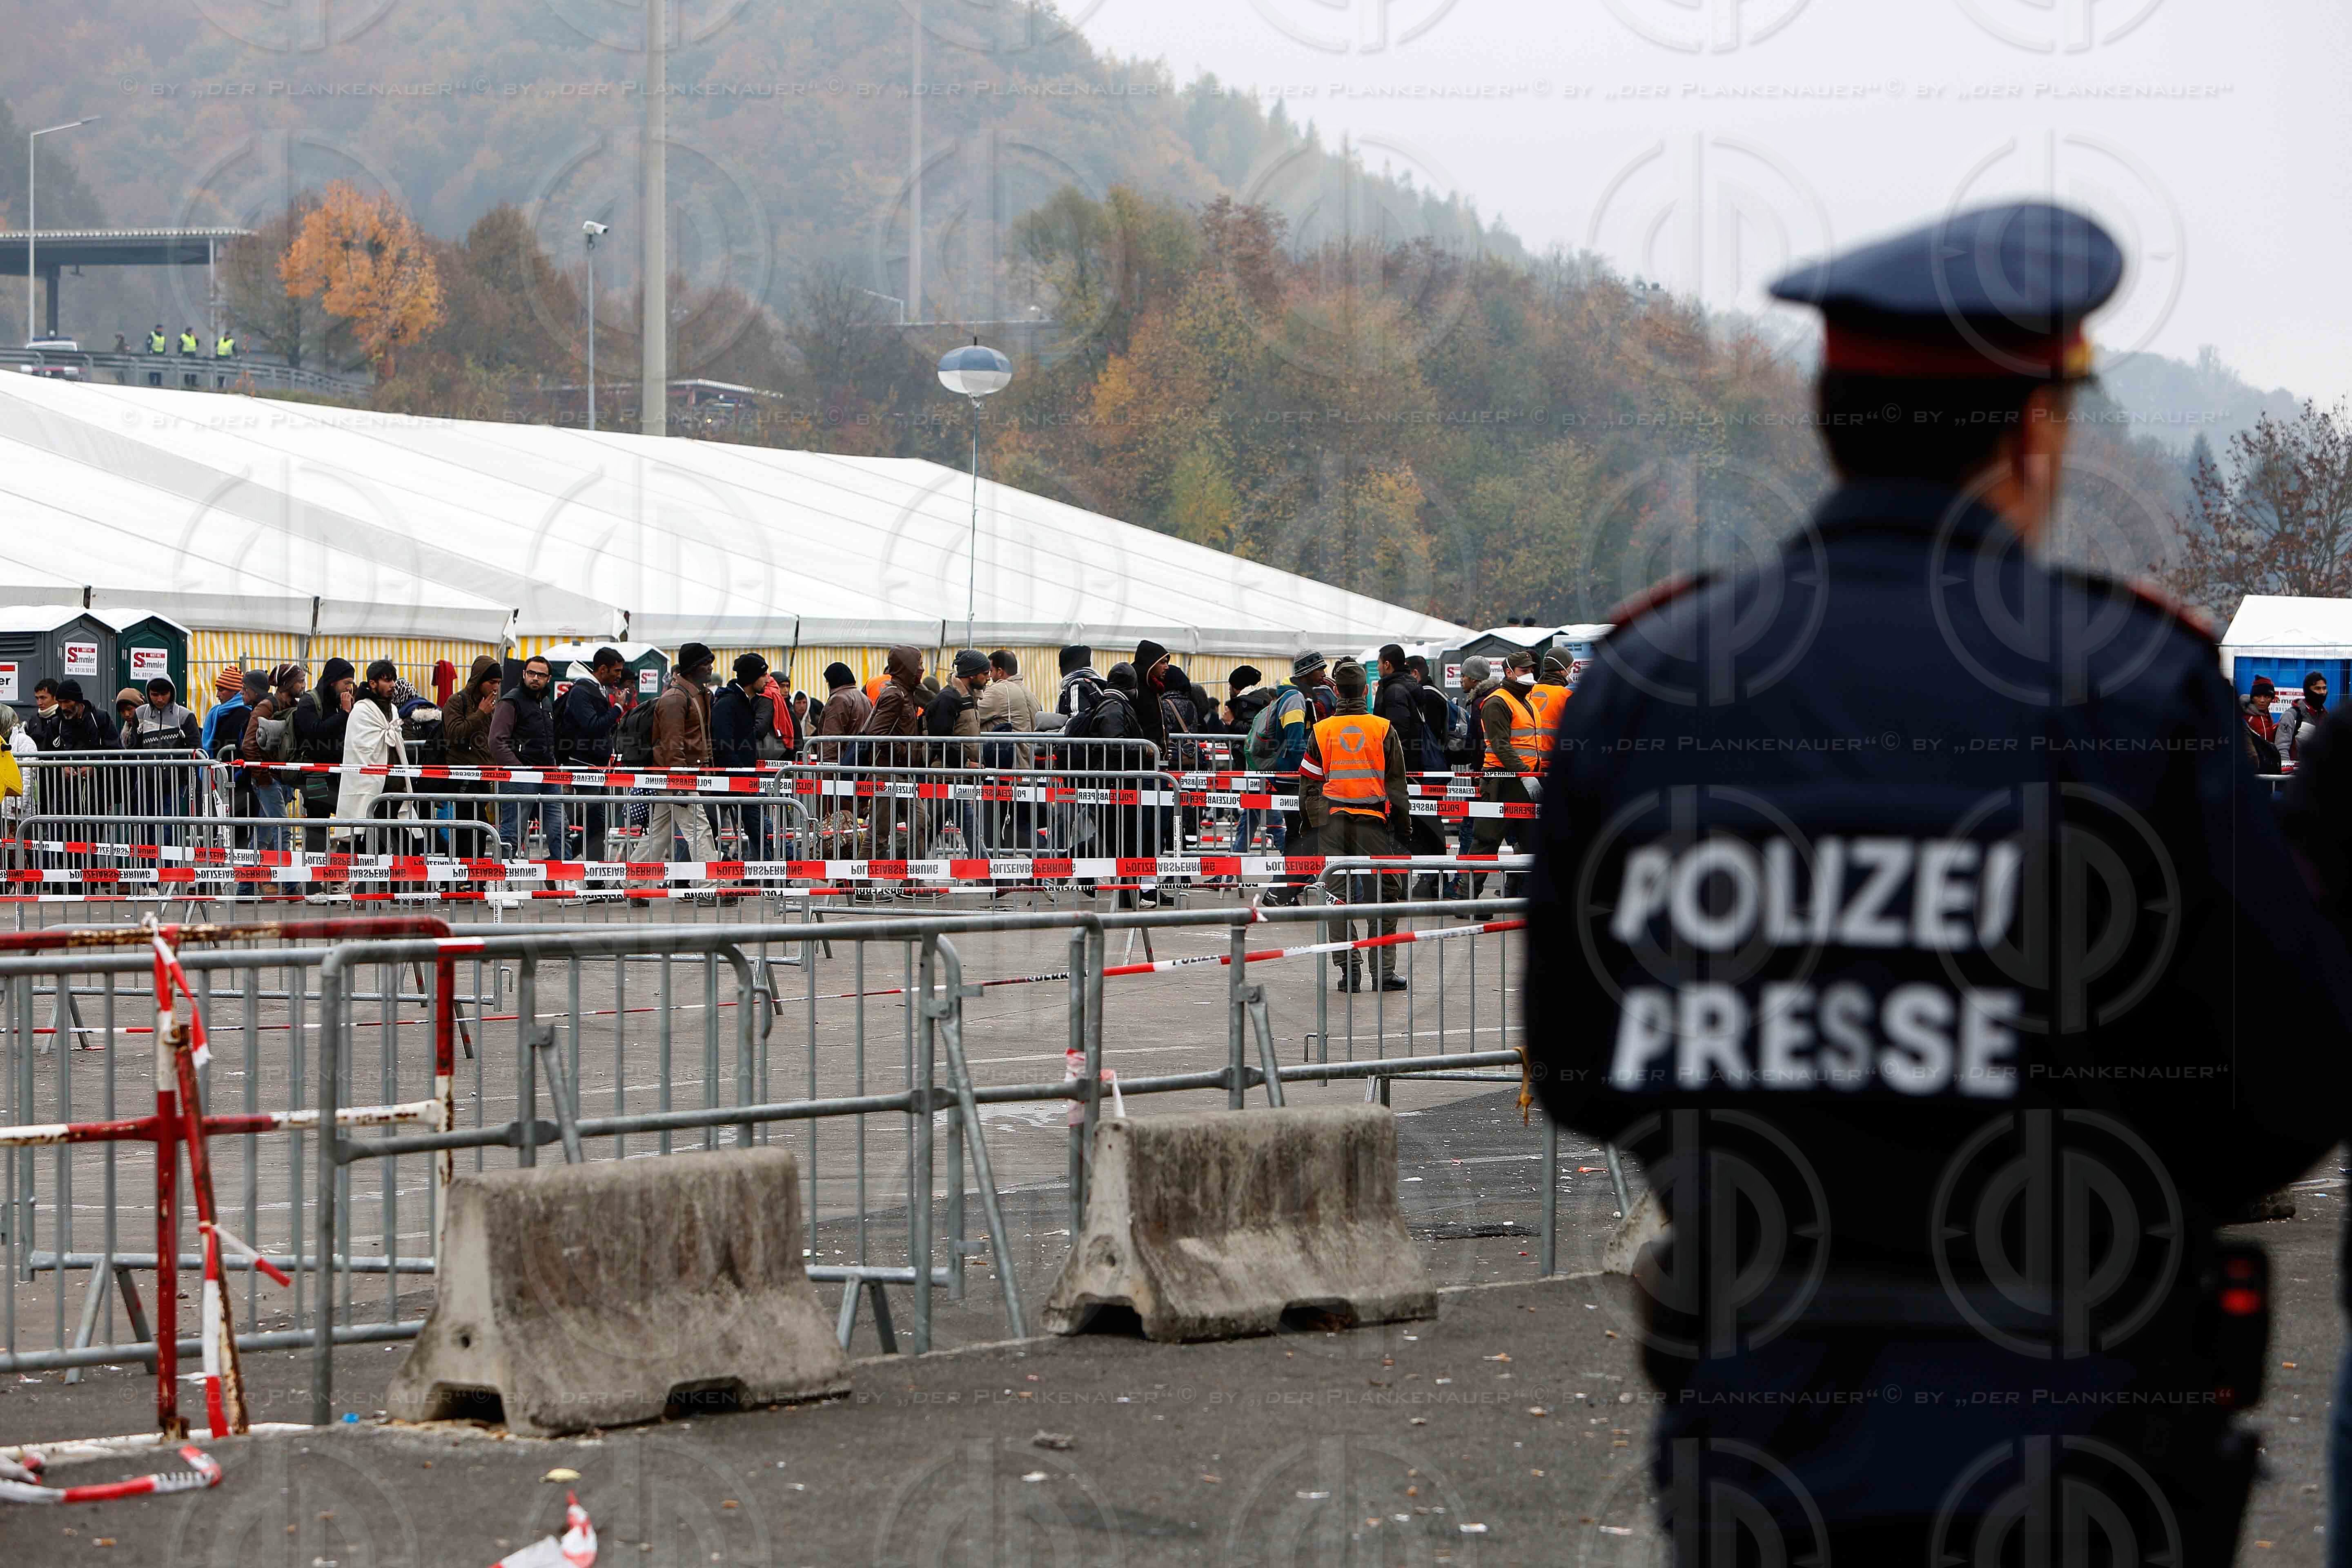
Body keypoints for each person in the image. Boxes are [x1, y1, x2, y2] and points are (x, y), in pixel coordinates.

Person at [1525, 201, 2348, 1563]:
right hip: (2079, 1439)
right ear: (2034, 433)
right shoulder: (2131, 687)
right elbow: (2279, 1100)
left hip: (1761, 1425)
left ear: (1833, 421)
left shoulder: (1652, 684)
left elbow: (1580, 1066)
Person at [1298, 658, 1411, 991]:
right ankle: (1384, 973)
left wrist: (1314, 824)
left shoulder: (1321, 730)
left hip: (1332, 824)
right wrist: (1403, 831)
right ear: (1365, 690)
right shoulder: (1383, 729)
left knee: (1336, 899)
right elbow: (1397, 788)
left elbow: (1309, 786)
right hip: (1374, 825)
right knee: (1385, 897)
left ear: (1337, 692)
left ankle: (1350, 973)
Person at [628, 642, 720, 884]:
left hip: (678, 775)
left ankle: (633, 883)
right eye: (705, 663)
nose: (710, 667)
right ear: (692, 668)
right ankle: (710, 885)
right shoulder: (676, 699)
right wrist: (680, 780)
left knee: (658, 835)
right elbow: (672, 743)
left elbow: (699, 738)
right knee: (699, 830)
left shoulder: (695, 694)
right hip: (677, 776)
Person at [1258, 652, 1334, 905]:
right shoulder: (1295, 699)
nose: (1324, 672)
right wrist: (1316, 769)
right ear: (1306, 672)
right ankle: (1280, 892)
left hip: (1295, 778)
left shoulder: (1301, 696)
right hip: (1295, 779)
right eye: (1319, 668)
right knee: (1307, 835)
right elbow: (1295, 743)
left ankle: (1284, 891)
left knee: (1298, 834)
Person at [1468, 650, 1539, 897]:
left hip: (1524, 782)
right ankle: (1467, 900)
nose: (1530, 675)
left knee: (1532, 843)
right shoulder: (1499, 701)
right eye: (1524, 671)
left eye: (1531, 670)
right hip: (1502, 781)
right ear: (1509, 673)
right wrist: (1525, 774)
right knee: (1486, 841)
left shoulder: (1525, 701)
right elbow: (1501, 745)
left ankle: (1526, 896)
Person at [557, 646, 630, 860]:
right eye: (616, 671)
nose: (619, 676)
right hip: (584, 767)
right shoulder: (582, 691)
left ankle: (570, 862)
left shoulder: (595, 690)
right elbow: (594, 726)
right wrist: (617, 708)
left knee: (601, 823)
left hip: (595, 768)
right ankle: (580, 871)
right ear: (603, 669)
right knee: (597, 823)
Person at [489, 655, 565, 859]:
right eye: (531, 673)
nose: (535, 678)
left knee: (560, 830)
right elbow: (496, 741)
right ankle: (501, 879)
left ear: (548, 679)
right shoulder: (511, 701)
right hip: (520, 778)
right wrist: (518, 769)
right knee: (512, 833)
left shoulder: (547, 703)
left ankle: (562, 878)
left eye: (541, 675)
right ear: (524, 674)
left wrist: (555, 767)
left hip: (549, 776)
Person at [332, 659, 409, 847]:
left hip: (395, 787)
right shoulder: (361, 711)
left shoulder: (393, 710)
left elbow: (396, 742)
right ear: (373, 683)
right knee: (368, 841)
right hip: (371, 788)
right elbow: (359, 750)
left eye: (393, 681)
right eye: (387, 681)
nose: (392, 686)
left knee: (398, 842)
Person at [710, 653, 780, 860]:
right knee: (708, 828)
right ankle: (682, 877)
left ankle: (768, 879)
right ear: (751, 678)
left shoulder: (744, 701)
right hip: (732, 780)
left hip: (741, 779)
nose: (768, 680)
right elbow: (723, 745)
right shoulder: (728, 704)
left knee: (757, 830)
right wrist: (743, 776)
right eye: (764, 675)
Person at [977, 649, 1041, 851]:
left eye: (990, 671)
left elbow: (972, 715)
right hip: (1026, 769)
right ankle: (1041, 868)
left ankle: (992, 873)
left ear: (1000, 671)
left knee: (993, 827)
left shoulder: (999, 691)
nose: (988, 677)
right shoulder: (1029, 692)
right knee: (1020, 826)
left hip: (1003, 768)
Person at [238, 664, 305, 852]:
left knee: (264, 836)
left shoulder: (295, 707)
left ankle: (247, 882)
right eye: (299, 681)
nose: (303, 685)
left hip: (283, 779)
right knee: (282, 831)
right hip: (270, 780)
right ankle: (289, 882)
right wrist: (265, 778)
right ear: (287, 684)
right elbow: (249, 745)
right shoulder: (266, 707)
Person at [292, 657, 354, 853]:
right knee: (318, 828)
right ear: (334, 682)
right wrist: (344, 714)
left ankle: (341, 871)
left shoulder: (340, 702)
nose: (350, 688)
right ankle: (313, 879)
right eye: (347, 683)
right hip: (315, 776)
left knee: (352, 819)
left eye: (352, 683)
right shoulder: (310, 701)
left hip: (338, 775)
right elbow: (314, 732)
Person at [2278, 671, 2330, 766]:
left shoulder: (2328, 718)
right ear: (2308, 691)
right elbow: (2281, 748)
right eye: (2317, 689)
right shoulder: (2291, 715)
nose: (2322, 692)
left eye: (2324, 688)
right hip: (2296, 775)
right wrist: (2288, 775)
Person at [816, 660, 871, 739]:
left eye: (827, 682)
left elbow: (831, 738)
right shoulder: (865, 698)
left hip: (845, 751)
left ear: (833, 680)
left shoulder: (838, 700)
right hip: (862, 750)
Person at [25, 678, 62, 750]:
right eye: (37, 698)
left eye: (43, 698)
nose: (39, 703)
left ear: (55, 697)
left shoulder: (64, 718)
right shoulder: (34, 720)